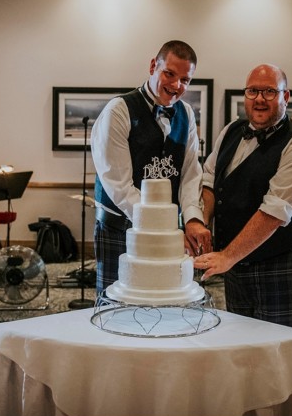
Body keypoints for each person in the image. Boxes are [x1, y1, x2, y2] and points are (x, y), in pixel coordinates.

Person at [194, 65, 292, 329]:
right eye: (253, 91)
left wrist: (227, 256)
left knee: (277, 345)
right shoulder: (231, 130)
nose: (259, 99)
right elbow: (209, 180)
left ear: (285, 97)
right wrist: (202, 224)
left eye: (269, 91)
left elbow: (273, 213)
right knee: (242, 339)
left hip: (280, 259)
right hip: (237, 258)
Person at [90, 40, 211, 295]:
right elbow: (119, 185)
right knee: (114, 303)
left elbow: (190, 173)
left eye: (185, 80)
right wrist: (162, 229)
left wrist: (191, 219)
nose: (176, 85)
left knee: (163, 300)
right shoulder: (119, 110)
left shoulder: (187, 113)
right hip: (120, 227)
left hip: (168, 228)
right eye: (170, 74)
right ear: (153, 66)